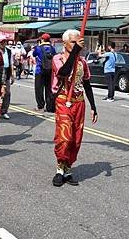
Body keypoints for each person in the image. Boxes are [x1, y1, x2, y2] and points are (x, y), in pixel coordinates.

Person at [52, 29, 98, 187]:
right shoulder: (58, 58)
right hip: (64, 101)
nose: (77, 44)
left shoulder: (83, 62)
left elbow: (86, 83)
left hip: (79, 102)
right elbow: (64, 72)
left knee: (76, 140)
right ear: (64, 43)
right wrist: (75, 52)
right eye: (73, 42)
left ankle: (68, 169)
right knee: (65, 138)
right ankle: (59, 169)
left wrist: (93, 106)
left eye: (79, 42)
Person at [34, 33, 56, 112]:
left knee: (39, 89)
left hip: (39, 70)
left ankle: (40, 106)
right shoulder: (52, 48)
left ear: (42, 39)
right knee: (49, 88)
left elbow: (34, 54)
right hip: (50, 70)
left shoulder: (38, 48)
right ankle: (49, 106)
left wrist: (39, 45)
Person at [0, 35, 14, 119]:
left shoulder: (9, 51)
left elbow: (11, 63)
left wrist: (12, 75)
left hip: (6, 74)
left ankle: (4, 111)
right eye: (2, 42)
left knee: (7, 93)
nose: (3, 43)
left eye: (5, 41)